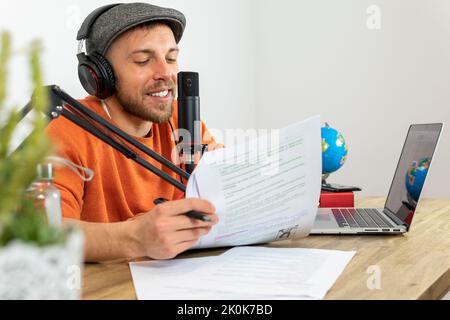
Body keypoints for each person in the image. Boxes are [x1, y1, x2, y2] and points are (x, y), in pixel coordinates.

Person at [46, 3, 220, 262]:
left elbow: (230, 185)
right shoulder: (67, 132)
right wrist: (137, 238)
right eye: (143, 60)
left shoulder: (182, 120)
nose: (166, 74)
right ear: (99, 75)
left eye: (171, 58)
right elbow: (46, 234)